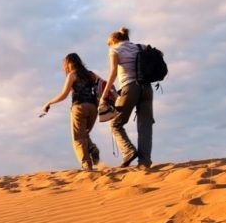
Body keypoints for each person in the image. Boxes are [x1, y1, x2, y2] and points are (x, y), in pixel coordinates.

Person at [99, 27, 154, 170]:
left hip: (130, 88)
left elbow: (112, 74)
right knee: (145, 126)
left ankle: (128, 151)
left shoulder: (114, 50)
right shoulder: (140, 47)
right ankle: (144, 163)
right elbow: (158, 54)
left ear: (113, 41)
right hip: (147, 88)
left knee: (116, 124)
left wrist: (104, 96)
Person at [42, 53, 100, 170]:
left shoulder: (72, 75)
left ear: (68, 64)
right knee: (84, 134)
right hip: (93, 108)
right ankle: (92, 149)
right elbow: (103, 84)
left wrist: (49, 103)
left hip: (79, 107)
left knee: (78, 138)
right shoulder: (91, 75)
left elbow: (63, 95)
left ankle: (86, 166)